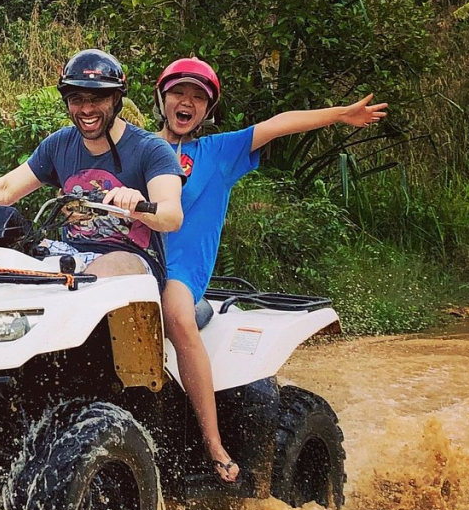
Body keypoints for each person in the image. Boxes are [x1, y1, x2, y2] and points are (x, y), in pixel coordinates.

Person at [154, 57, 388, 482]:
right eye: (178, 93)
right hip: (136, 264)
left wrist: (340, 115)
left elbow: (280, 123)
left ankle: (214, 444)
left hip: (181, 272)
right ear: (162, 99)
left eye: (197, 97)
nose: (186, 102)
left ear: (207, 110)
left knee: (176, 315)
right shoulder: (139, 148)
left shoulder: (219, 152)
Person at [0, 49, 184, 282]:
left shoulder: (151, 149)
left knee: (89, 282)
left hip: (135, 260)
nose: (86, 109)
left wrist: (136, 206)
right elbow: (5, 189)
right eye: (77, 99)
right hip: (70, 253)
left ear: (116, 99)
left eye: (97, 99)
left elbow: (172, 216)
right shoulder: (60, 144)